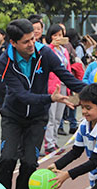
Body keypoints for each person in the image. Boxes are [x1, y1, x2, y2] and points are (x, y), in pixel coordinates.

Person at [0, 19, 86, 189]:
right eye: (26, 41)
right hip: (13, 115)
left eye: (33, 39)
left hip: (37, 118)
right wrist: (50, 98)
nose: (31, 44)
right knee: (7, 159)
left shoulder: (44, 53)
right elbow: (21, 95)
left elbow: (66, 76)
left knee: (29, 163)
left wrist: (92, 93)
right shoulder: (4, 61)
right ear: (13, 43)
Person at [43, 24, 71, 155]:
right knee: (51, 116)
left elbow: (68, 68)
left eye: (60, 35)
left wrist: (71, 85)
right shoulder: (48, 50)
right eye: (55, 35)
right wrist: (52, 45)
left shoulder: (64, 51)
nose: (58, 37)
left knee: (58, 117)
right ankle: (49, 144)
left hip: (64, 85)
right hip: (52, 87)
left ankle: (54, 141)